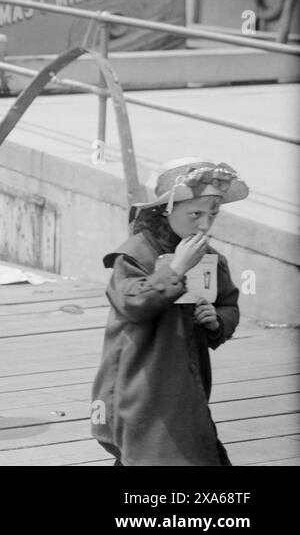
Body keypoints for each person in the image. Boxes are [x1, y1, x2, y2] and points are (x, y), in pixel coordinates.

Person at [91, 160, 247, 466]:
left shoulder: (210, 259)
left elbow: (228, 304)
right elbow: (131, 304)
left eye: (212, 215)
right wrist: (176, 268)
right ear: (167, 209)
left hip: (186, 383)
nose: (204, 225)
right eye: (195, 214)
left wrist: (216, 321)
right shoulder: (135, 254)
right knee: (151, 449)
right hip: (139, 380)